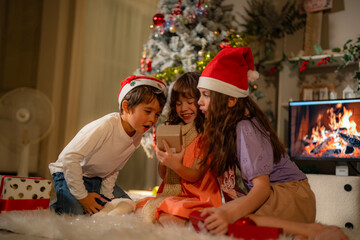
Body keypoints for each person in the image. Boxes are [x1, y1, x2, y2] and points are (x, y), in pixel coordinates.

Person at [196, 47, 348, 240]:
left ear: (231, 99)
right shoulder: (238, 125)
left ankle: (313, 231)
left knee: (237, 221)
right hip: (285, 194)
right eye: (200, 94)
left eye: (206, 95)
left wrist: (231, 214)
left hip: (290, 196)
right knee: (219, 214)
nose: (199, 101)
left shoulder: (245, 128)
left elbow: (262, 188)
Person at [49, 75, 167, 215]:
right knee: (75, 213)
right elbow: (70, 159)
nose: (153, 119)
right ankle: (58, 206)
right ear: (126, 106)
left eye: (157, 114)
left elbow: (113, 169)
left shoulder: (137, 135)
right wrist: (83, 197)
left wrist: (107, 199)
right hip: (68, 173)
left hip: (96, 179)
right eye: (148, 111)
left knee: (127, 208)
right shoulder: (106, 126)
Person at [136, 72, 222, 226]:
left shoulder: (205, 135)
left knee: (167, 217)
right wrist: (164, 161)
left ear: (201, 101)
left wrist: (176, 165)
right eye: (178, 103)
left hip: (198, 196)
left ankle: (193, 222)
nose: (183, 109)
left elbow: (195, 175)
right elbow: (164, 175)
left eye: (190, 102)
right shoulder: (176, 131)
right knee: (140, 209)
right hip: (176, 194)